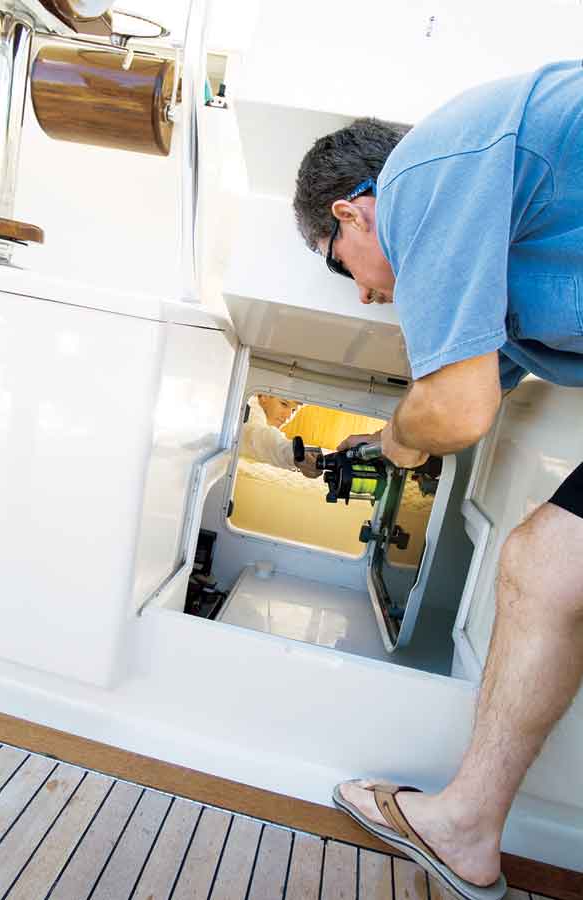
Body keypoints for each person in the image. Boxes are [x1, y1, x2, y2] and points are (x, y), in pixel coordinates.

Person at [293, 61, 583, 900]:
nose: (363, 297)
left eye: (340, 266)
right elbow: (477, 386)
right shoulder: (491, 237)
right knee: (549, 566)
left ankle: (462, 824)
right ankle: (464, 827)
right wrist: (394, 444)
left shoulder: (426, 174)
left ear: (353, 210)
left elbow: (455, 412)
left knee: (545, 563)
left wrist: (398, 433)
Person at [240, 394, 320, 477]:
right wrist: (297, 455)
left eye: (293, 410)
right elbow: (262, 439)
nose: (288, 416)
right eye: (284, 404)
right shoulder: (250, 415)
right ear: (264, 396)